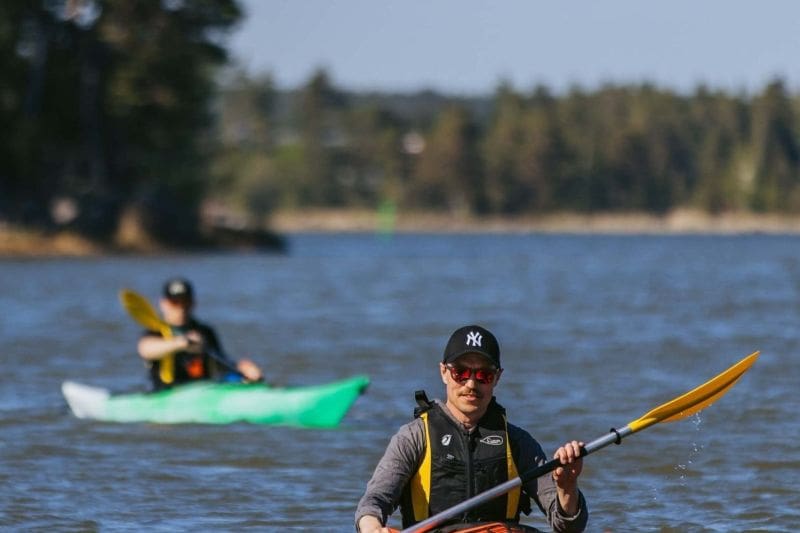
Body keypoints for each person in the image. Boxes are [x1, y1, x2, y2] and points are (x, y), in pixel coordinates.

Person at [355, 325, 588, 533]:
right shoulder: (414, 437)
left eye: (483, 375)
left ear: (497, 378)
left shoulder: (518, 442)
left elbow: (569, 527)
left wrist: (567, 488)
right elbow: (373, 502)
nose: (471, 384)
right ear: (444, 372)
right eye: (461, 373)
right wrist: (371, 526)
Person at [137, 277, 263, 390]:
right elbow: (145, 349)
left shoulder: (205, 332)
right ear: (164, 304)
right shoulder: (156, 332)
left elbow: (221, 362)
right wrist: (181, 343)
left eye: (185, 302)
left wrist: (243, 370)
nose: (181, 307)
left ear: (193, 303)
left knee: (245, 376)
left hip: (204, 390)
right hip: (167, 393)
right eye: (175, 302)